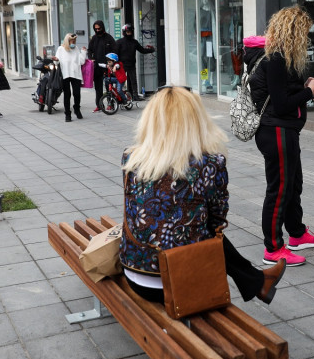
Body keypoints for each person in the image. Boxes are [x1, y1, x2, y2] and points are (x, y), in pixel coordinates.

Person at [120, 86, 286, 305]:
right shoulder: (209, 164)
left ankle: (257, 281)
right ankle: (257, 282)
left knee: (186, 224)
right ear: (195, 120)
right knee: (206, 228)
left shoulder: (131, 158)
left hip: (135, 274)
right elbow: (217, 221)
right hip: (179, 281)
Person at [245, 6, 314, 267]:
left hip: (284, 130)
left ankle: (297, 234)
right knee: (279, 191)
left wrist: (304, 87)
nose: (307, 37)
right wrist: (309, 92)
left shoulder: (279, 57)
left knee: (293, 186)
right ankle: (273, 248)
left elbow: (281, 93)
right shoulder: (276, 59)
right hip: (277, 131)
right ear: (294, 32)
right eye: (304, 32)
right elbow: (281, 105)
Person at [114, 24, 154, 101]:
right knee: (120, 80)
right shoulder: (119, 42)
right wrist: (116, 64)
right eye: (127, 32)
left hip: (131, 64)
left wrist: (151, 50)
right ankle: (118, 96)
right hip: (121, 65)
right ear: (124, 32)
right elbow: (116, 54)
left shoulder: (134, 42)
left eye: (130, 32)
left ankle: (135, 95)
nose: (129, 33)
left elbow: (142, 50)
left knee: (133, 81)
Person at [53, 33, 86, 122]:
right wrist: (56, 60)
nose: (73, 43)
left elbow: (82, 62)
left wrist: (83, 52)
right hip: (65, 74)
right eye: (72, 41)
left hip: (76, 74)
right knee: (67, 95)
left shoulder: (76, 49)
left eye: (74, 41)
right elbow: (57, 62)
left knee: (77, 94)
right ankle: (67, 114)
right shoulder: (60, 49)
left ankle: (77, 109)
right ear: (67, 41)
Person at [87, 20, 116, 112]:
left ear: (102, 27)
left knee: (109, 86)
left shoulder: (109, 38)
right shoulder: (94, 38)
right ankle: (99, 105)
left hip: (107, 66)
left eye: (99, 28)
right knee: (98, 87)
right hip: (97, 66)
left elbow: (114, 51)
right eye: (96, 29)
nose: (98, 30)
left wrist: (111, 62)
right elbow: (89, 50)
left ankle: (110, 104)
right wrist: (91, 58)